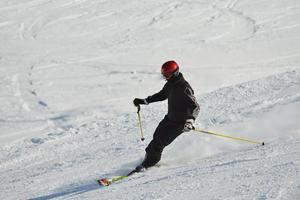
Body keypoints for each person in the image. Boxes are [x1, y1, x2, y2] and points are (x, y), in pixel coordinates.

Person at [132, 60, 200, 173]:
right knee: (156, 138)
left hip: (180, 123)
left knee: (159, 143)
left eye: (167, 75)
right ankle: (148, 159)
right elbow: (162, 95)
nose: (165, 77)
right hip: (169, 119)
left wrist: (190, 121)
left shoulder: (184, 87)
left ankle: (148, 165)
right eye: (164, 75)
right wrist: (145, 101)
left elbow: (195, 106)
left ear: (175, 73)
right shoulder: (170, 84)